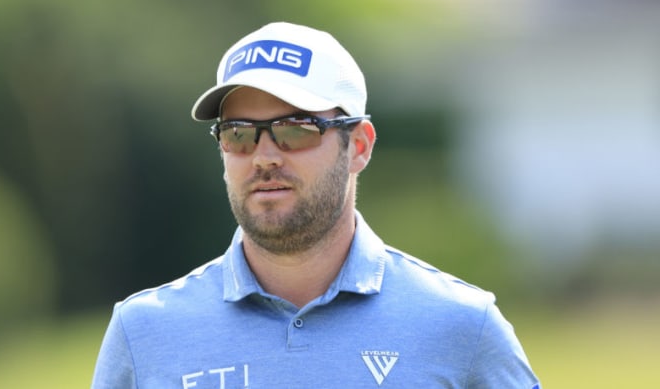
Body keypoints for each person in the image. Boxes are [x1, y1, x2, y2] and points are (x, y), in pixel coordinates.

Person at [92, 22, 540, 388]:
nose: (264, 156)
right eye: (239, 133)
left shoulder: (462, 326)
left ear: (359, 146)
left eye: (295, 129)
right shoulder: (143, 333)